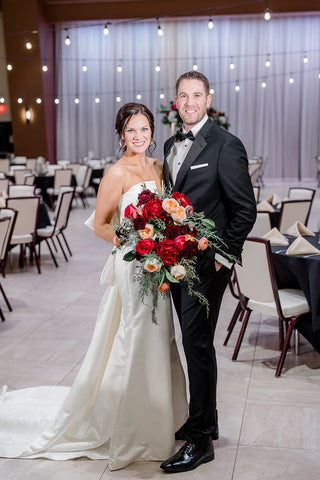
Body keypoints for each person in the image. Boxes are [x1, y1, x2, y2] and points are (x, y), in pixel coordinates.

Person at [0, 103, 188, 470]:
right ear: (121, 135)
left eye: (145, 129)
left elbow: (167, 212)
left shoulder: (159, 167)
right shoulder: (116, 173)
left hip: (158, 265)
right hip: (133, 265)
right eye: (132, 130)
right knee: (134, 335)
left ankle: (161, 418)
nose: (139, 136)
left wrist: (165, 240)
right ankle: (131, 423)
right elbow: (101, 224)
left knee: (160, 334)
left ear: (153, 131)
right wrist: (136, 242)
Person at [160, 71, 257, 473]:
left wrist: (223, 256)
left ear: (208, 98)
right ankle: (207, 421)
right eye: (183, 95)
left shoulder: (226, 145)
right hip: (175, 264)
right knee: (192, 343)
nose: (189, 101)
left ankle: (200, 442)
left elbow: (244, 209)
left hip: (206, 266)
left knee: (197, 345)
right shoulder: (168, 143)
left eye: (196, 95)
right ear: (175, 100)